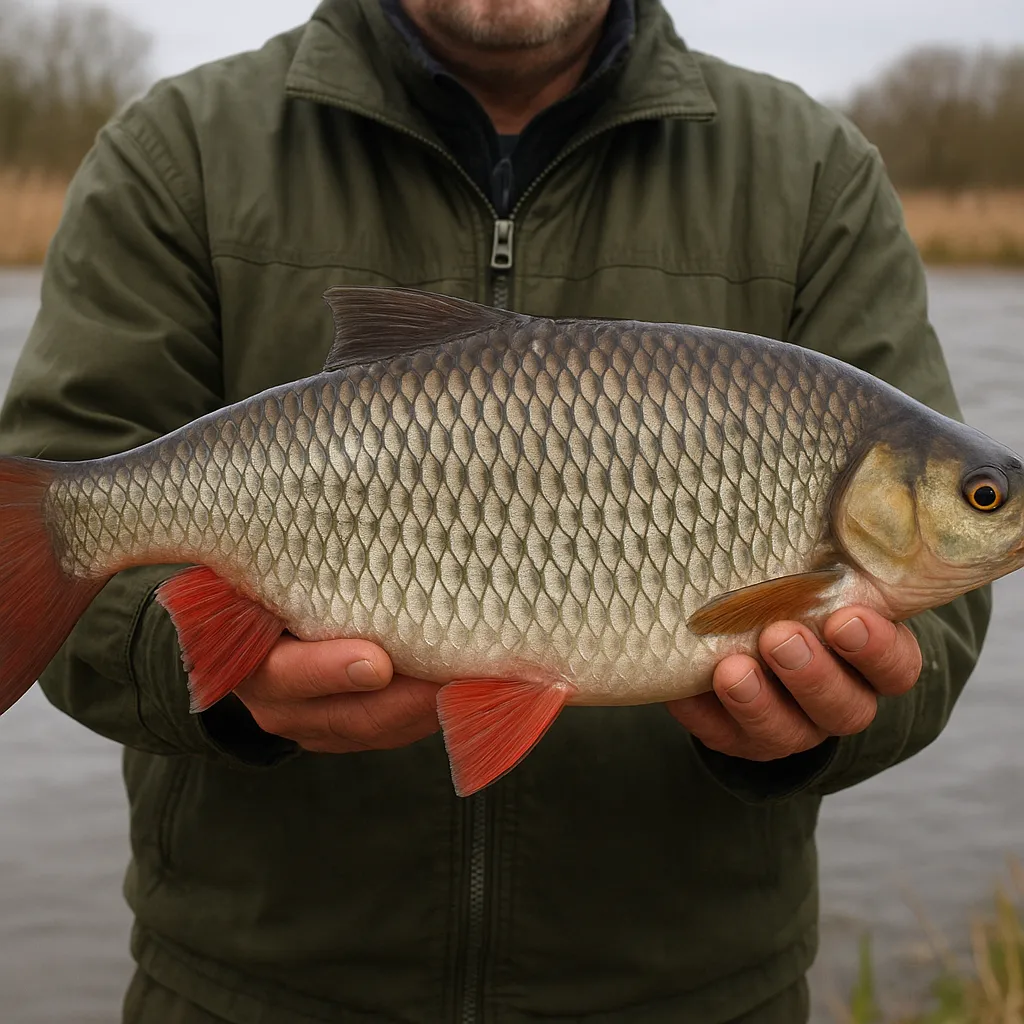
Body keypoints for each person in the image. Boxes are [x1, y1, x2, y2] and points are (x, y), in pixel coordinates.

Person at [0, 0, 990, 1021]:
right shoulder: (180, 154)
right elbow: (69, 517)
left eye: (983, 498)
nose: (990, 514)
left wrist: (823, 725)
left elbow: (941, 630)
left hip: (687, 994)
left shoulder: (813, 173)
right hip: (247, 986)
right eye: (985, 498)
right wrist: (206, 674)